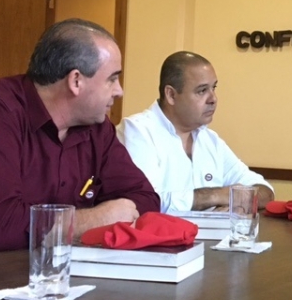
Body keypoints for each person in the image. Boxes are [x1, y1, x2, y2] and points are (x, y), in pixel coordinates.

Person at [0, 18, 161, 252]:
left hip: (72, 270)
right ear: (76, 81)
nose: (119, 91)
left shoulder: (97, 126)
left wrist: (62, 226)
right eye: (112, 79)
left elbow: (146, 199)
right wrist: (96, 219)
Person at [117, 51, 274, 213]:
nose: (213, 99)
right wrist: (216, 196)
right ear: (171, 95)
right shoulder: (137, 131)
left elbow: (265, 192)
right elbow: (145, 202)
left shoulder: (210, 140)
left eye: (214, 88)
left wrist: (234, 203)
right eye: (202, 91)